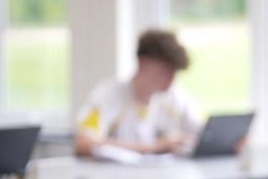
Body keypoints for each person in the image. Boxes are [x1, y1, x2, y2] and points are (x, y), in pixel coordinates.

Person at [74, 29, 204, 157]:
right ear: (142, 63)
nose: (171, 80)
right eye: (165, 71)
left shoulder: (177, 98)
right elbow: (84, 143)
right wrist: (155, 147)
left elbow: (204, 135)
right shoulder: (106, 96)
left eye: (174, 73)